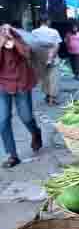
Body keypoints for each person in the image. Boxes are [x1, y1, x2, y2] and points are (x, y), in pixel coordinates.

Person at [0, 24, 42, 168]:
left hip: (22, 82)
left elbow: (27, 53)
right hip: (2, 85)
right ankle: (12, 155)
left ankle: (36, 133)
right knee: (3, 120)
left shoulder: (19, 38)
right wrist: (1, 42)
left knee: (26, 117)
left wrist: (13, 38)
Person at [32, 14, 62, 105]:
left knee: (45, 79)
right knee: (53, 78)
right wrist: (51, 57)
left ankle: (47, 96)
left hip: (40, 58)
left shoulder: (34, 32)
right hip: (52, 57)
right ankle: (51, 99)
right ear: (48, 21)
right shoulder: (54, 32)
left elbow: (33, 46)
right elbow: (57, 45)